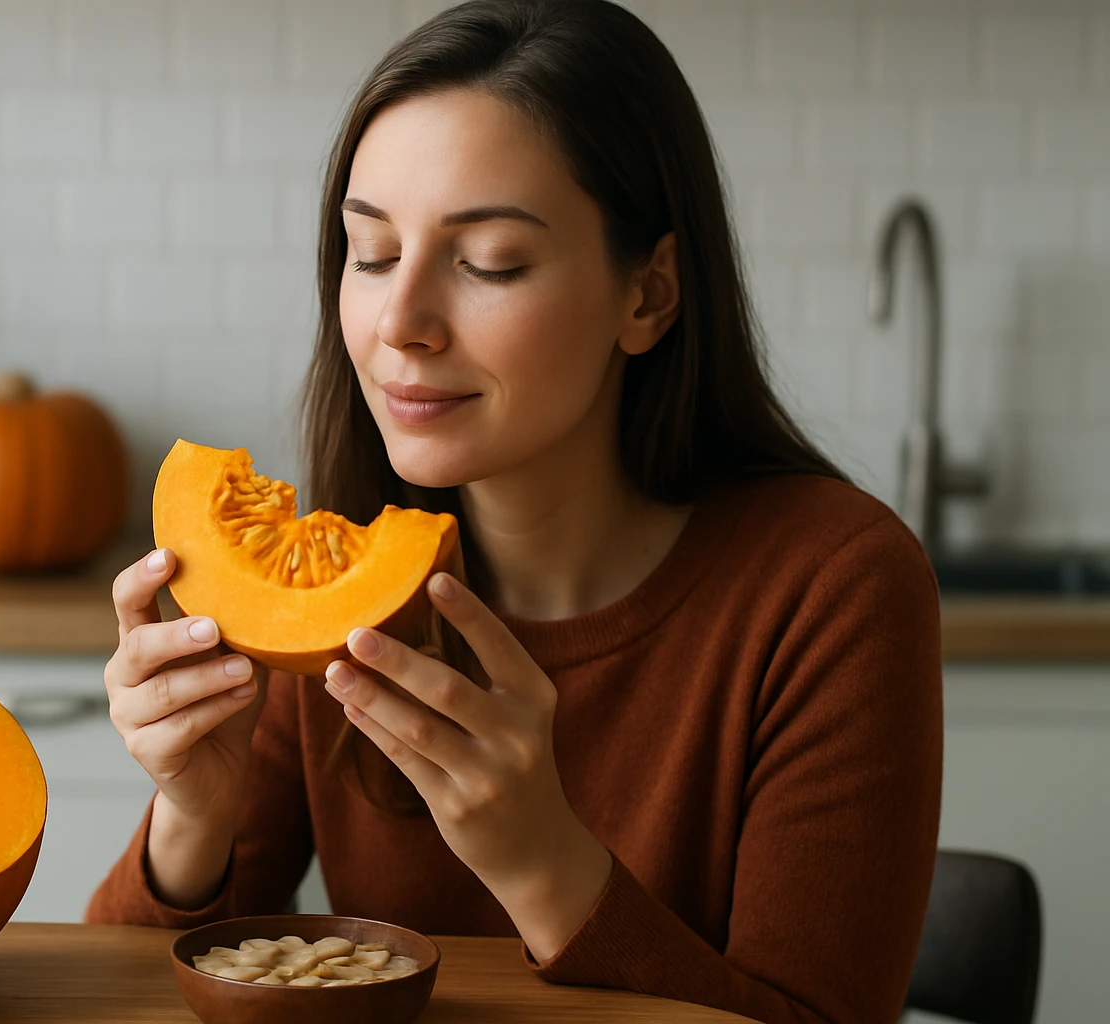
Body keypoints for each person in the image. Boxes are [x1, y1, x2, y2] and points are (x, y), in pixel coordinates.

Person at [87, 2, 942, 1022]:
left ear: (650, 295)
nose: (400, 324)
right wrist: (193, 816)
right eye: (369, 253)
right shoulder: (329, 589)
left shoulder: (836, 586)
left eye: (487, 261)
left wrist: (542, 861)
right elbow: (117, 992)